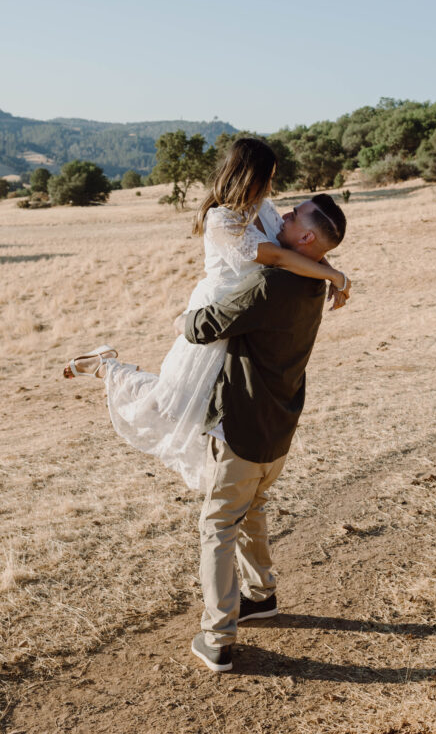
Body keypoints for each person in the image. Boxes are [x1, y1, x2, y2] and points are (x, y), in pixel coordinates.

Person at [64, 138, 350, 491]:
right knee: (169, 405)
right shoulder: (222, 219)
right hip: (218, 310)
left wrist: (332, 267)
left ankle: (231, 485)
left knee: (212, 408)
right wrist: (333, 276)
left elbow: (301, 246)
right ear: (249, 176)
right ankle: (106, 366)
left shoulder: (266, 208)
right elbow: (277, 257)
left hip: (248, 314)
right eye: (268, 177)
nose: (273, 186)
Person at [173, 193, 348, 672]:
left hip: (242, 427)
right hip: (279, 428)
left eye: (293, 217)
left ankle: (218, 637)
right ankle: (260, 595)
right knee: (253, 507)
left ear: (306, 238)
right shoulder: (314, 284)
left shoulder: (271, 284)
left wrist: (181, 318)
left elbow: (204, 328)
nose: (282, 215)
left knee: (217, 524)